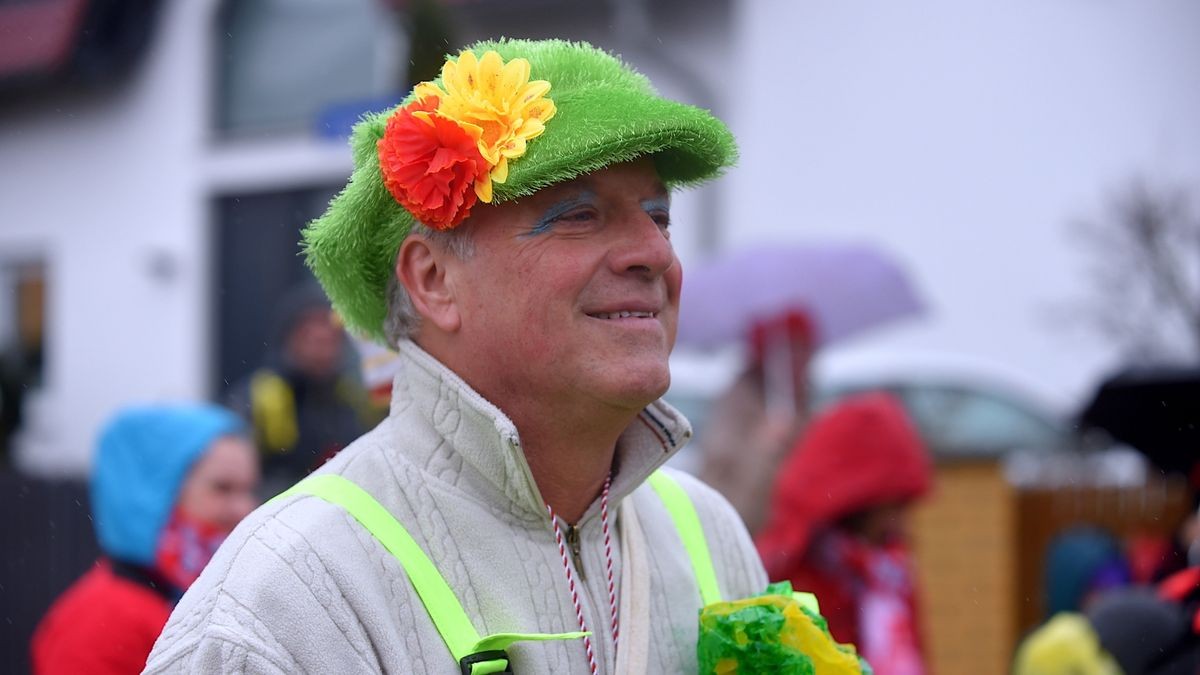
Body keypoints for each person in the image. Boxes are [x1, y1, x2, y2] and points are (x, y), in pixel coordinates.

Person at [145, 39, 767, 674]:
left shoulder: (708, 533)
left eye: (658, 216)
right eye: (579, 214)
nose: (655, 254)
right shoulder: (292, 598)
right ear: (434, 280)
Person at [31, 404, 259, 674]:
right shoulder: (102, 618)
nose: (245, 509)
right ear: (156, 496)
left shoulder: (186, 601)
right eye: (222, 488)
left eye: (249, 489)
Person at [755, 391, 933, 675]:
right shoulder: (796, 583)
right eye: (893, 506)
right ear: (859, 503)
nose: (900, 524)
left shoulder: (888, 574)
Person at [225, 283, 376, 496]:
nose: (323, 352)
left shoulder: (353, 395)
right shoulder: (262, 395)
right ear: (289, 340)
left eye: (330, 341)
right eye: (312, 340)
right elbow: (235, 473)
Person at [700, 310, 816, 535]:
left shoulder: (802, 409)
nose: (803, 359)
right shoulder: (735, 411)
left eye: (806, 348)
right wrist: (764, 449)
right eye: (792, 349)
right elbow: (727, 508)